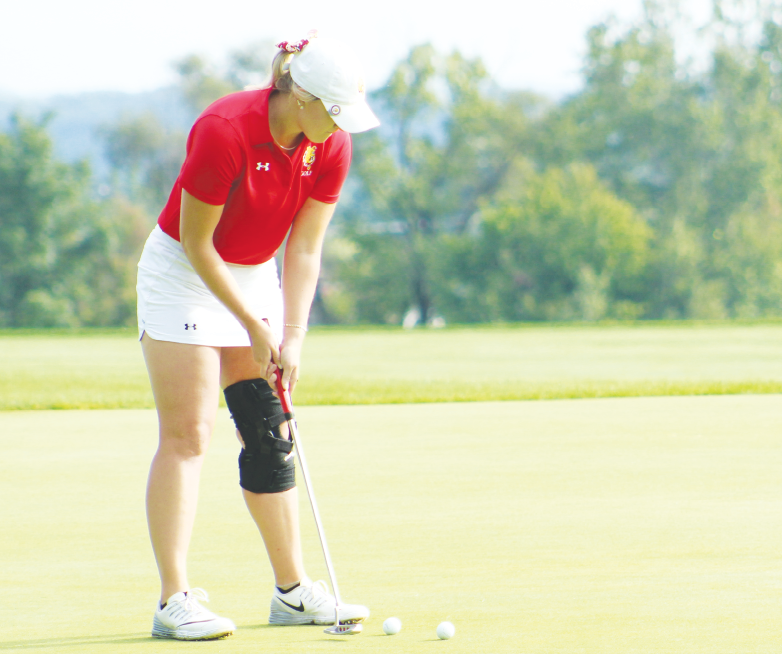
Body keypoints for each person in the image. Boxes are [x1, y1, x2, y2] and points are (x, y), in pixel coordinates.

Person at [136, 34, 379, 641]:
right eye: (333, 112)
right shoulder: (226, 129)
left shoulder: (332, 144)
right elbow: (197, 243)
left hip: (253, 273)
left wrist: (291, 335)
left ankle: (292, 592)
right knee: (190, 433)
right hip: (184, 272)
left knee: (269, 430)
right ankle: (173, 599)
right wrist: (250, 324)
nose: (339, 126)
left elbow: (305, 247)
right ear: (300, 97)